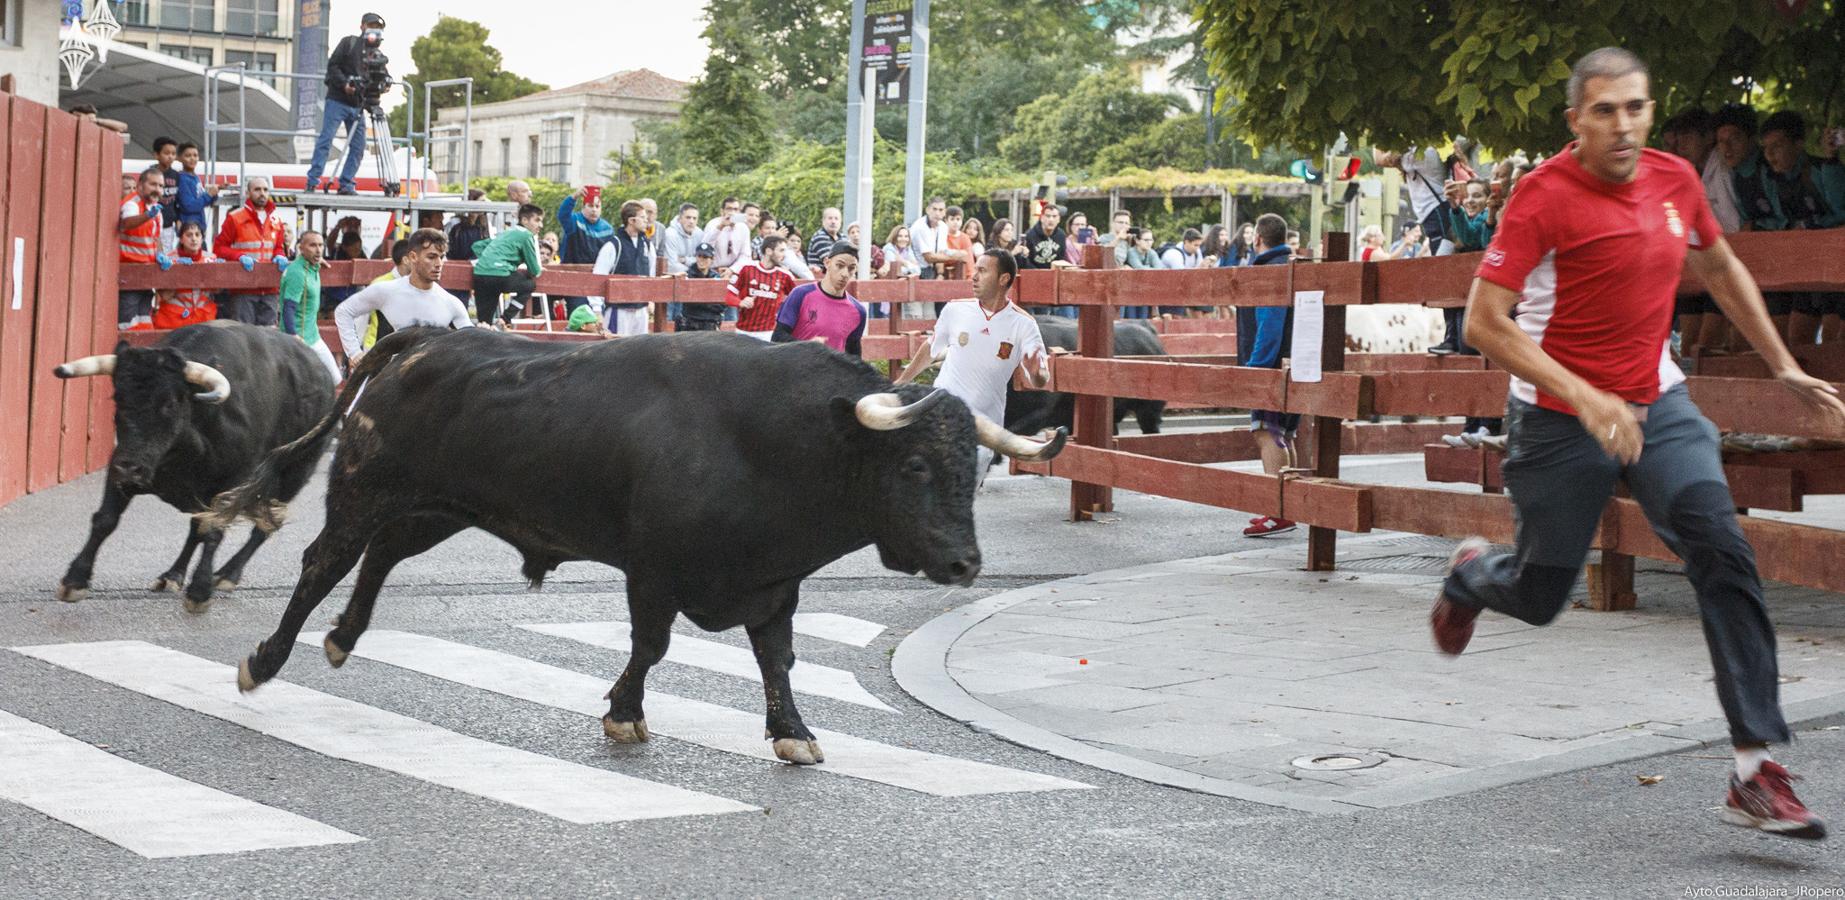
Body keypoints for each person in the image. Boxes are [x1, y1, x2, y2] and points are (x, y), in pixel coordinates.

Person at [1434, 48, 1845, 841]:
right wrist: (1587, 400)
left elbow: (1719, 266)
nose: (1622, 125)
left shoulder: (1672, 180)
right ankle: (1472, 576)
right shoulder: (1541, 197)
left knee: (1721, 547)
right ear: (1574, 121)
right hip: (1556, 415)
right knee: (1539, 594)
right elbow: (1486, 322)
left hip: (1656, 400)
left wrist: (1785, 366)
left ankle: (1753, 769)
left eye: (1634, 107)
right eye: (1603, 111)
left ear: (1649, 110)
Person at [894, 248, 1053, 486]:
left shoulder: (1024, 324)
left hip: (983, 428)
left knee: (961, 497)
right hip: (942, 414)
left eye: (982, 271)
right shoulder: (955, 309)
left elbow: (1040, 379)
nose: (974, 276)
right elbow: (930, 348)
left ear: (1003, 279)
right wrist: (900, 383)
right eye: (975, 270)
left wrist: (1038, 371)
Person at [1747, 110, 1845, 346]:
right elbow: (1781, 221)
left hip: (1837, 270)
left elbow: (1842, 212)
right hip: (1806, 271)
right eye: (1766, 148)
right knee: (1796, 341)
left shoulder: (1824, 170)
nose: (1770, 155)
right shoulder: (1772, 181)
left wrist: (1810, 226)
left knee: (1834, 343)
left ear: (1799, 143)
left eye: (1777, 146)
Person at [1239, 214, 1300, 537]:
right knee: (1285, 433)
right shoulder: (1292, 264)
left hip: (1271, 364)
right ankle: (1289, 506)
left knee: (1266, 431)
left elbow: (1269, 324)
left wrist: (1256, 368)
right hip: (1294, 360)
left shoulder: (1268, 270)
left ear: (1258, 238)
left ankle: (1278, 511)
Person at [334, 228, 476, 365]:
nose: (439, 264)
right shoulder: (386, 290)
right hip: (386, 378)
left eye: (442, 257)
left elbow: (472, 342)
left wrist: (485, 331)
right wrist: (354, 353)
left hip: (430, 381)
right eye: (431, 257)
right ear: (413, 257)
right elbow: (344, 311)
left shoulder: (451, 303)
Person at [306, 12, 386, 195]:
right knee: (326, 140)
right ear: (362, 26)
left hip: (359, 104)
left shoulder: (377, 55)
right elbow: (332, 66)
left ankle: (347, 183)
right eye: (371, 25)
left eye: (378, 28)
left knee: (359, 147)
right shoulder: (348, 43)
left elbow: (382, 74)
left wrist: (385, 83)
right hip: (337, 100)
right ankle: (312, 181)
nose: (374, 30)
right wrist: (345, 84)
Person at [212, 176, 290, 326]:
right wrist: (239, 256)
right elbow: (219, 248)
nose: (262, 193)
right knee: (243, 335)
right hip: (244, 288)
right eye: (257, 189)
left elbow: (278, 247)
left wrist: (280, 255)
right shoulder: (235, 218)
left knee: (269, 336)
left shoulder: (276, 220)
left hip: (270, 288)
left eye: (265, 190)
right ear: (248, 193)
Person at [772, 242, 867, 356]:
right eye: (840, 265)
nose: (845, 274)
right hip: (795, 369)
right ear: (827, 263)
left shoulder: (858, 311)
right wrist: (806, 346)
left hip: (831, 372)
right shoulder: (801, 294)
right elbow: (777, 337)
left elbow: (854, 356)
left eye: (851, 268)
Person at [470, 203, 546, 329]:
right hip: (501, 275)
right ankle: (505, 319)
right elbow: (535, 270)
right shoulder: (526, 235)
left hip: (480, 274)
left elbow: (477, 246)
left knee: (484, 325)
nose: (540, 225)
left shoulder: (506, 233)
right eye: (537, 220)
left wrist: (489, 260)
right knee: (529, 285)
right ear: (524, 220)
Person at [278, 231, 340, 383]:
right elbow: (288, 306)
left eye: (320, 245)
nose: (318, 250)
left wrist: (319, 261)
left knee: (335, 378)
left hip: (313, 336)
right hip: (300, 339)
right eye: (312, 245)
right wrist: (293, 335)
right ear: (301, 248)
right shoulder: (298, 273)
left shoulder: (311, 265)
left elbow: (312, 261)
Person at [592, 200, 655, 336]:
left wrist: (650, 299)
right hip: (619, 310)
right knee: (616, 351)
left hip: (641, 310)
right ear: (631, 220)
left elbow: (651, 274)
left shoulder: (647, 246)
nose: (647, 221)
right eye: (643, 218)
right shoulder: (614, 245)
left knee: (640, 351)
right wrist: (597, 310)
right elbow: (597, 277)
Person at [117, 166, 164, 330]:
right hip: (129, 275)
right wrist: (147, 216)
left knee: (145, 323)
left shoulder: (156, 209)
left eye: (160, 186)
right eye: (153, 184)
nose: (157, 189)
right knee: (127, 325)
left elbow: (156, 239)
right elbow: (127, 223)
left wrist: (161, 256)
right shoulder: (132, 203)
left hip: (146, 277)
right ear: (141, 185)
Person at [556, 186, 614, 314]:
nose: (594, 210)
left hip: (597, 279)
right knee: (581, 314)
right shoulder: (574, 221)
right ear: (583, 207)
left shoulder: (608, 228)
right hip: (574, 280)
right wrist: (574, 197)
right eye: (590, 206)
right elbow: (562, 215)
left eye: (597, 206)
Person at [726, 234, 797, 340]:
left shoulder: (785, 276)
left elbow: (796, 299)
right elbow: (729, 297)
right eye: (781, 250)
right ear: (769, 251)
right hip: (743, 331)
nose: (784, 255)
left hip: (768, 333)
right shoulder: (746, 268)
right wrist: (740, 302)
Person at [152, 221, 220, 329]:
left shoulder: (211, 258)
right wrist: (178, 272)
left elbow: (217, 290)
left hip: (204, 317)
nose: (194, 239)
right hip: (173, 317)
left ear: (202, 239)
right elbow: (164, 295)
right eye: (189, 235)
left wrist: (218, 272)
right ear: (181, 239)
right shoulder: (169, 259)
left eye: (197, 235)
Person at [674, 243, 724, 332]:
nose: (701, 259)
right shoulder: (687, 276)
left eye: (705, 257)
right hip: (691, 324)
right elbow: (690, 303)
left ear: (712, 259)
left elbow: (721, 305)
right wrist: (709, 301)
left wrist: (702, 301)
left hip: (710, 324)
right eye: (699, 256)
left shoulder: (716, 277)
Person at [151, 137, 180, 254]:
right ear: (157, 155)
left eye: (173, 153)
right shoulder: (151, 174)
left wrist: (177, 218)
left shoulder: (176, 175)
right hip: (152, 222)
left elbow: (177, 200)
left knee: (166, 254)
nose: (170, 157)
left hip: (168, 225)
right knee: (153, 253)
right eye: (166, 153)